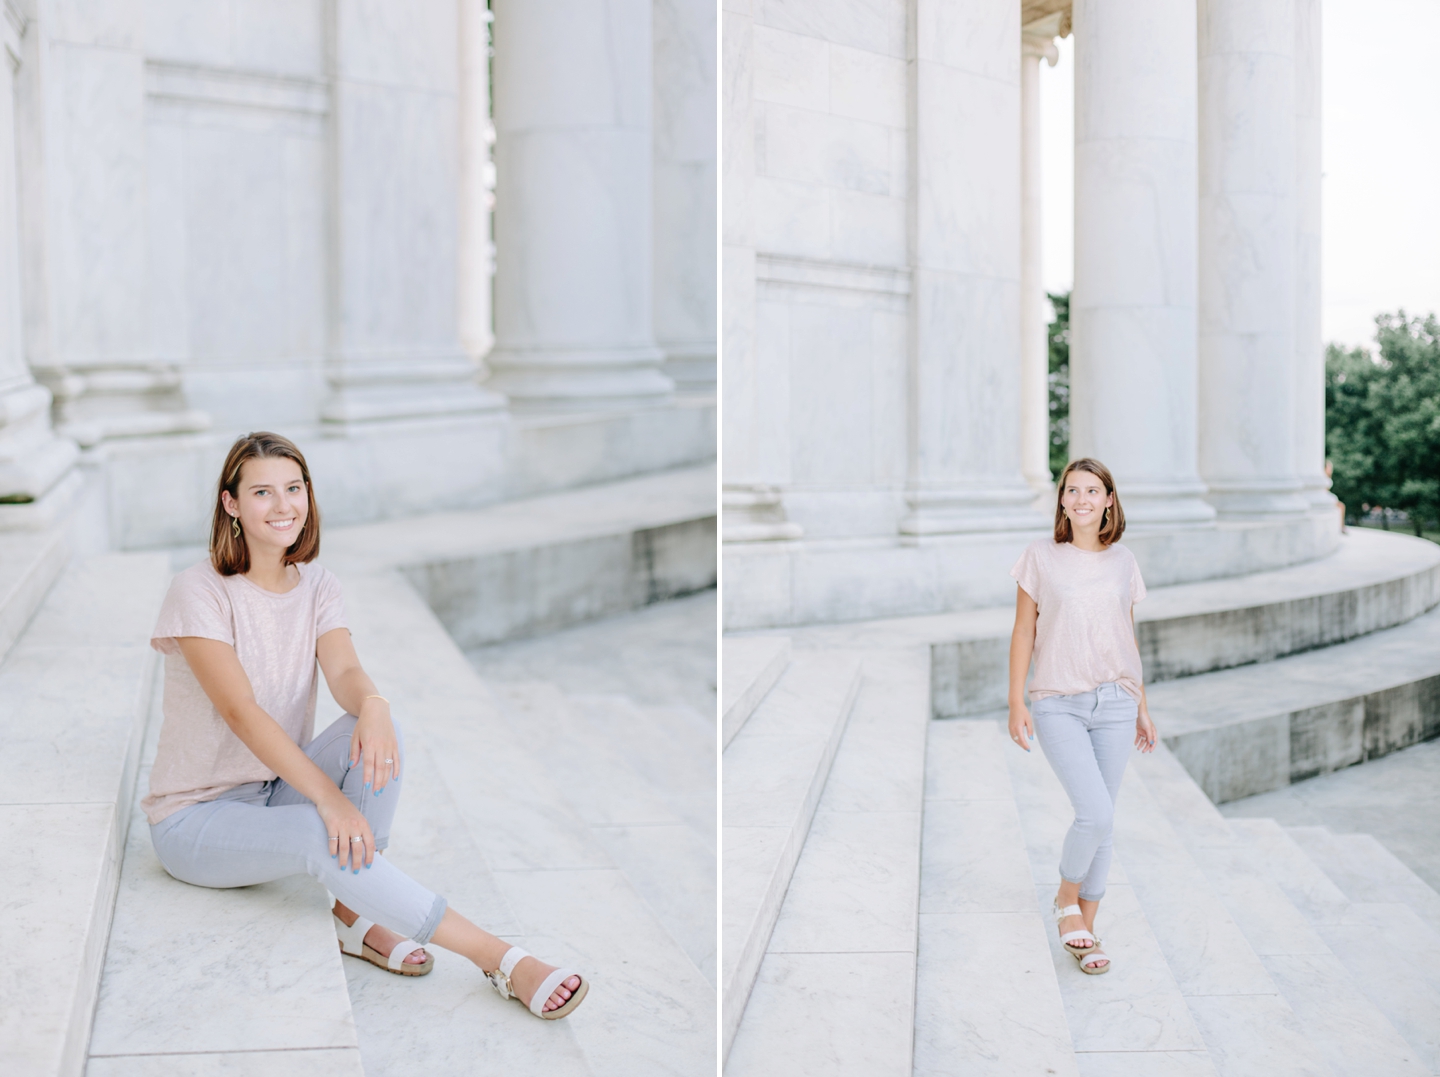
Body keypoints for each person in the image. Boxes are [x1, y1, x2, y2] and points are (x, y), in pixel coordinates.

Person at [142, 431, 588, 1019]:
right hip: (196, 818)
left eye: (294, 488)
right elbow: (240, 712)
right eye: (262, 492)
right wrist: (328, 799)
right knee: (313, 830)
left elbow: (345, 667)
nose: (284, 507)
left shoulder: (318, 585)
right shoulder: (199, 591)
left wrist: (373, 704)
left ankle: (354, 911)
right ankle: (500, 958)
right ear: (230, 504)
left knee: (378, 730)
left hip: (272, 790)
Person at [1006, 457, 1157, 974]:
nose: (1082, 499)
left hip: (1116, 700)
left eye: (1093, 491)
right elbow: (1024, 631)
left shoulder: (1123, 561)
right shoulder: (1040, 557)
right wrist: (1016, 700)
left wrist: (1141, 705)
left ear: (1109, 500)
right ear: (1062, 500)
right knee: (1094, 812)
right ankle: (1067, 900)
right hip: (1057, 701)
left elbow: (1125, 634)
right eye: (1072, 491)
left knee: (1105, 821)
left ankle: (1086, 931)